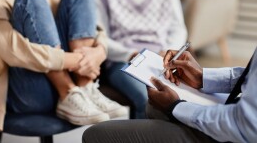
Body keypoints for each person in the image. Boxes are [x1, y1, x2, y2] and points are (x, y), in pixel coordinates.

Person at [0, 0, 127, 131]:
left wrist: (99, 52)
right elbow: (14, 53)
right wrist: (77, 60)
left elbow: (94, 27)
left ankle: (85, 87)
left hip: (70, 85)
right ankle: (67, 92)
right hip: (27, 92)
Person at [82, 47, 257, 143]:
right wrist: (203, 77)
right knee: (153, 107)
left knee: (95, 135)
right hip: (239, 113)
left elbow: (244, 125)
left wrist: (176, 106)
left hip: (237, 132)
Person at [92, 0, 187, 119]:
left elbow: (178, 28)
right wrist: (130, 54)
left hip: (161, 57)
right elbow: (100, 36)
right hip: (123, 60)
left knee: (184, 96)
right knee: (148, 98)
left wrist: (168, 51)